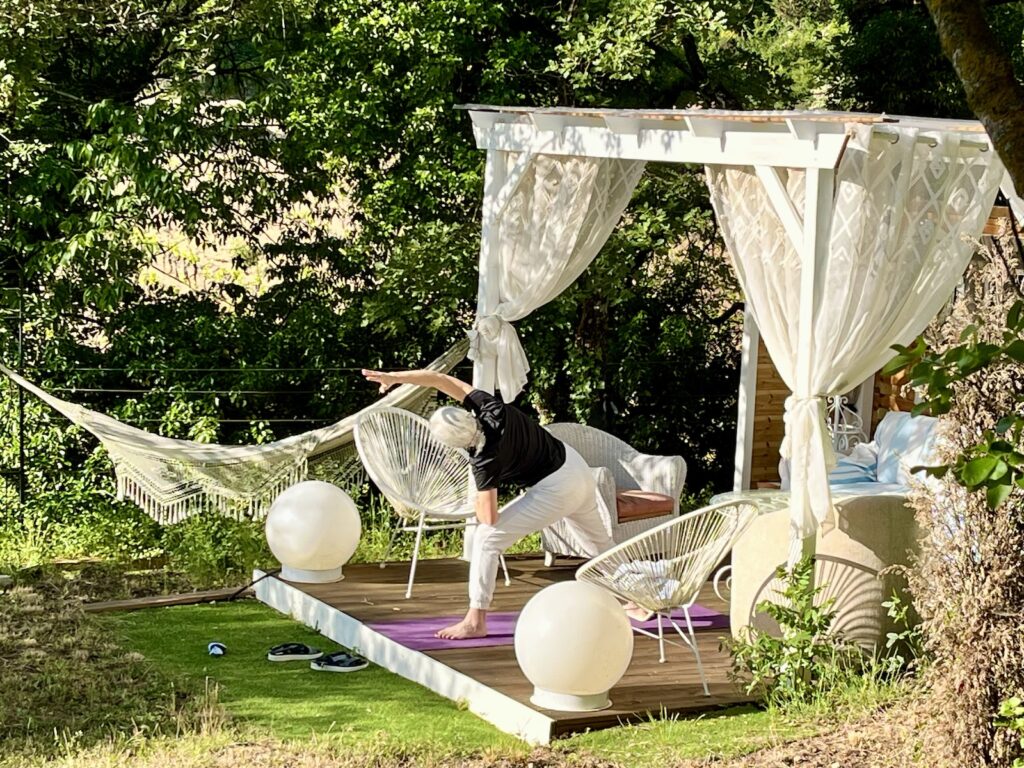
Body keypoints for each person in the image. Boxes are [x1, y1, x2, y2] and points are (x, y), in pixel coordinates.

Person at [360, 367, 614, 640]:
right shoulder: (490, 408)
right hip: (575, 465)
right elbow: (441, 379)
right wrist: (393, 377)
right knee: (601, 550)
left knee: (486, 539)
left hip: (558, 488)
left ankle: (475, 620)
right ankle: (641, 595)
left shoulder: (483, 459)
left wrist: (479, 492)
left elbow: (489, 518)